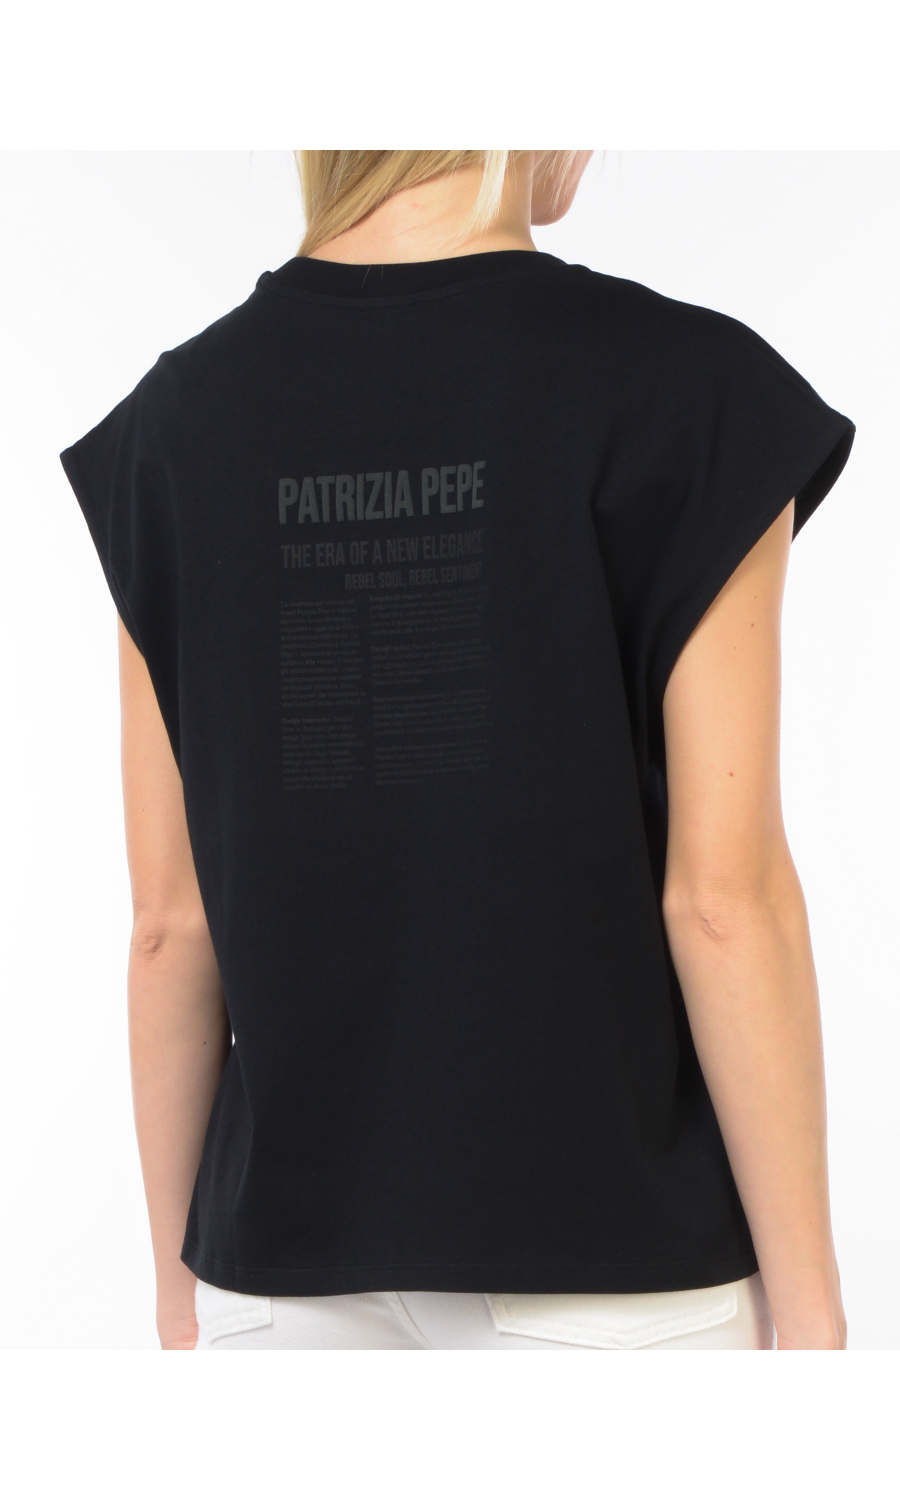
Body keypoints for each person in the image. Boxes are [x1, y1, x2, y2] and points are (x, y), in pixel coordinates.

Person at [61, 150, 854, 1350]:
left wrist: (184, 1293)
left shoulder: (173, 426)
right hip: (608, 1263)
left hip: (278, 1278)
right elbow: (723, 902)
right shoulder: (690, 390)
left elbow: (169, 924)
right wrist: (814, 1316)